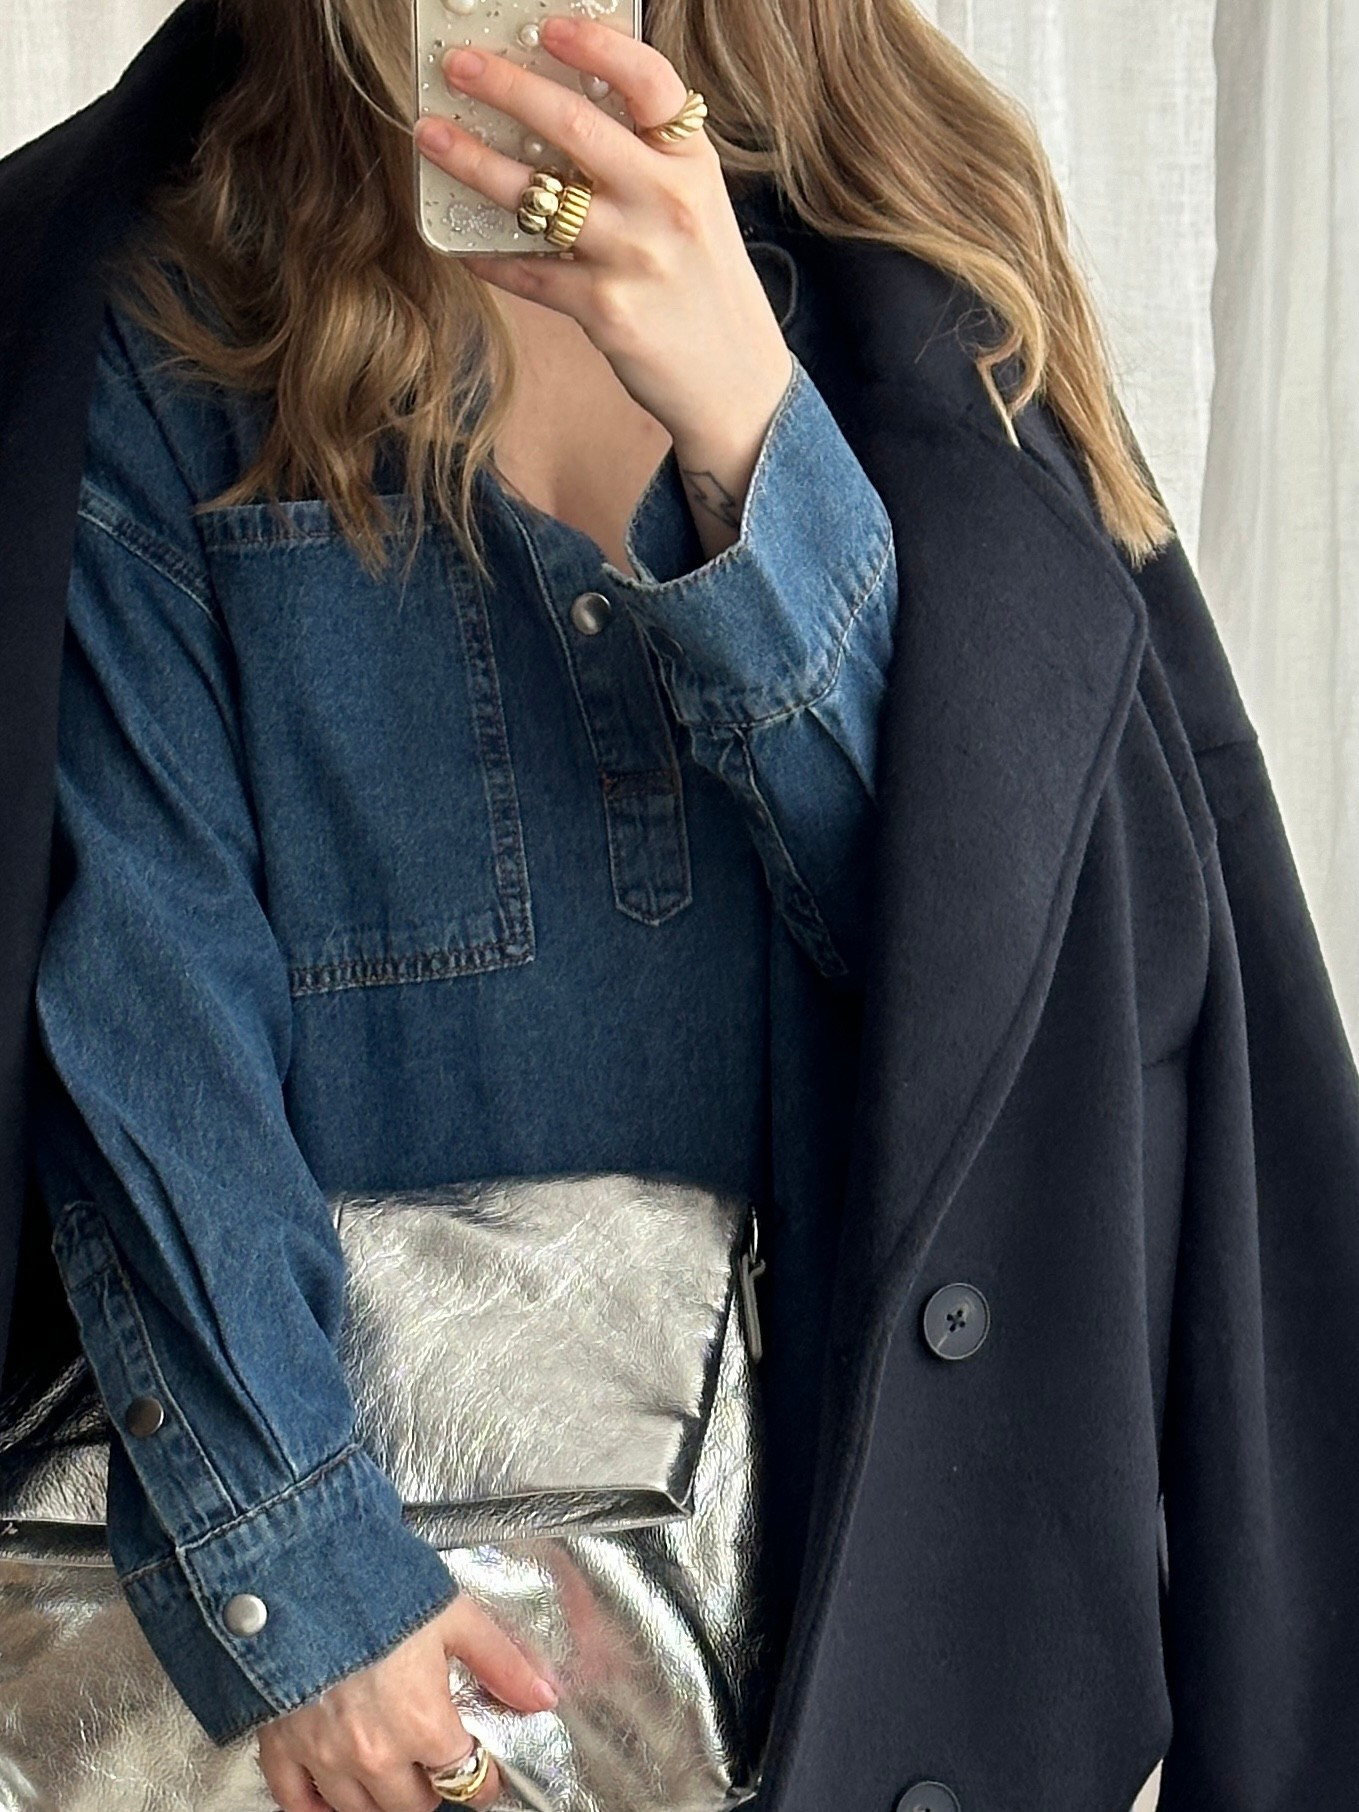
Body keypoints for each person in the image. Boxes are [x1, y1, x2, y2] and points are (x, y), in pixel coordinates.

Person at [4, 2, 1359, 1810]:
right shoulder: (150, 319)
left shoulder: (921, 288)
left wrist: (743, 422)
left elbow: (1030, 974)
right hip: (344, 1688)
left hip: (853, 1642)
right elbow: (136, 998)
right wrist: (309, 1584)